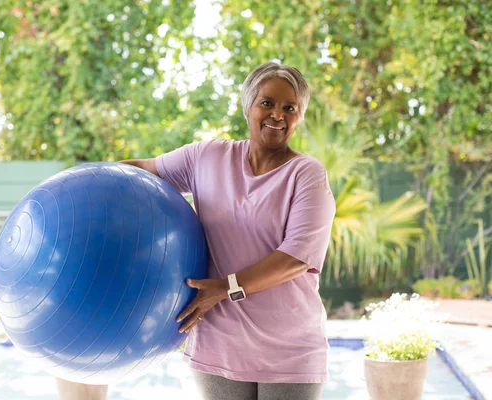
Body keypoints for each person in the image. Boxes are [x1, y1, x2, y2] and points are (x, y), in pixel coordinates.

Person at [57, 61, 335, 400]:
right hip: (219, 345)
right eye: (267, 103)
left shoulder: (306, 175)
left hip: (289, 348)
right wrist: (73, 190)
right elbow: (143, 172)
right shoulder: (208, 157)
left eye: (289, 108)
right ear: (248, 106)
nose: (278, 115)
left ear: (299, 116)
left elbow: (295, 258)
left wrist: (226, 288)